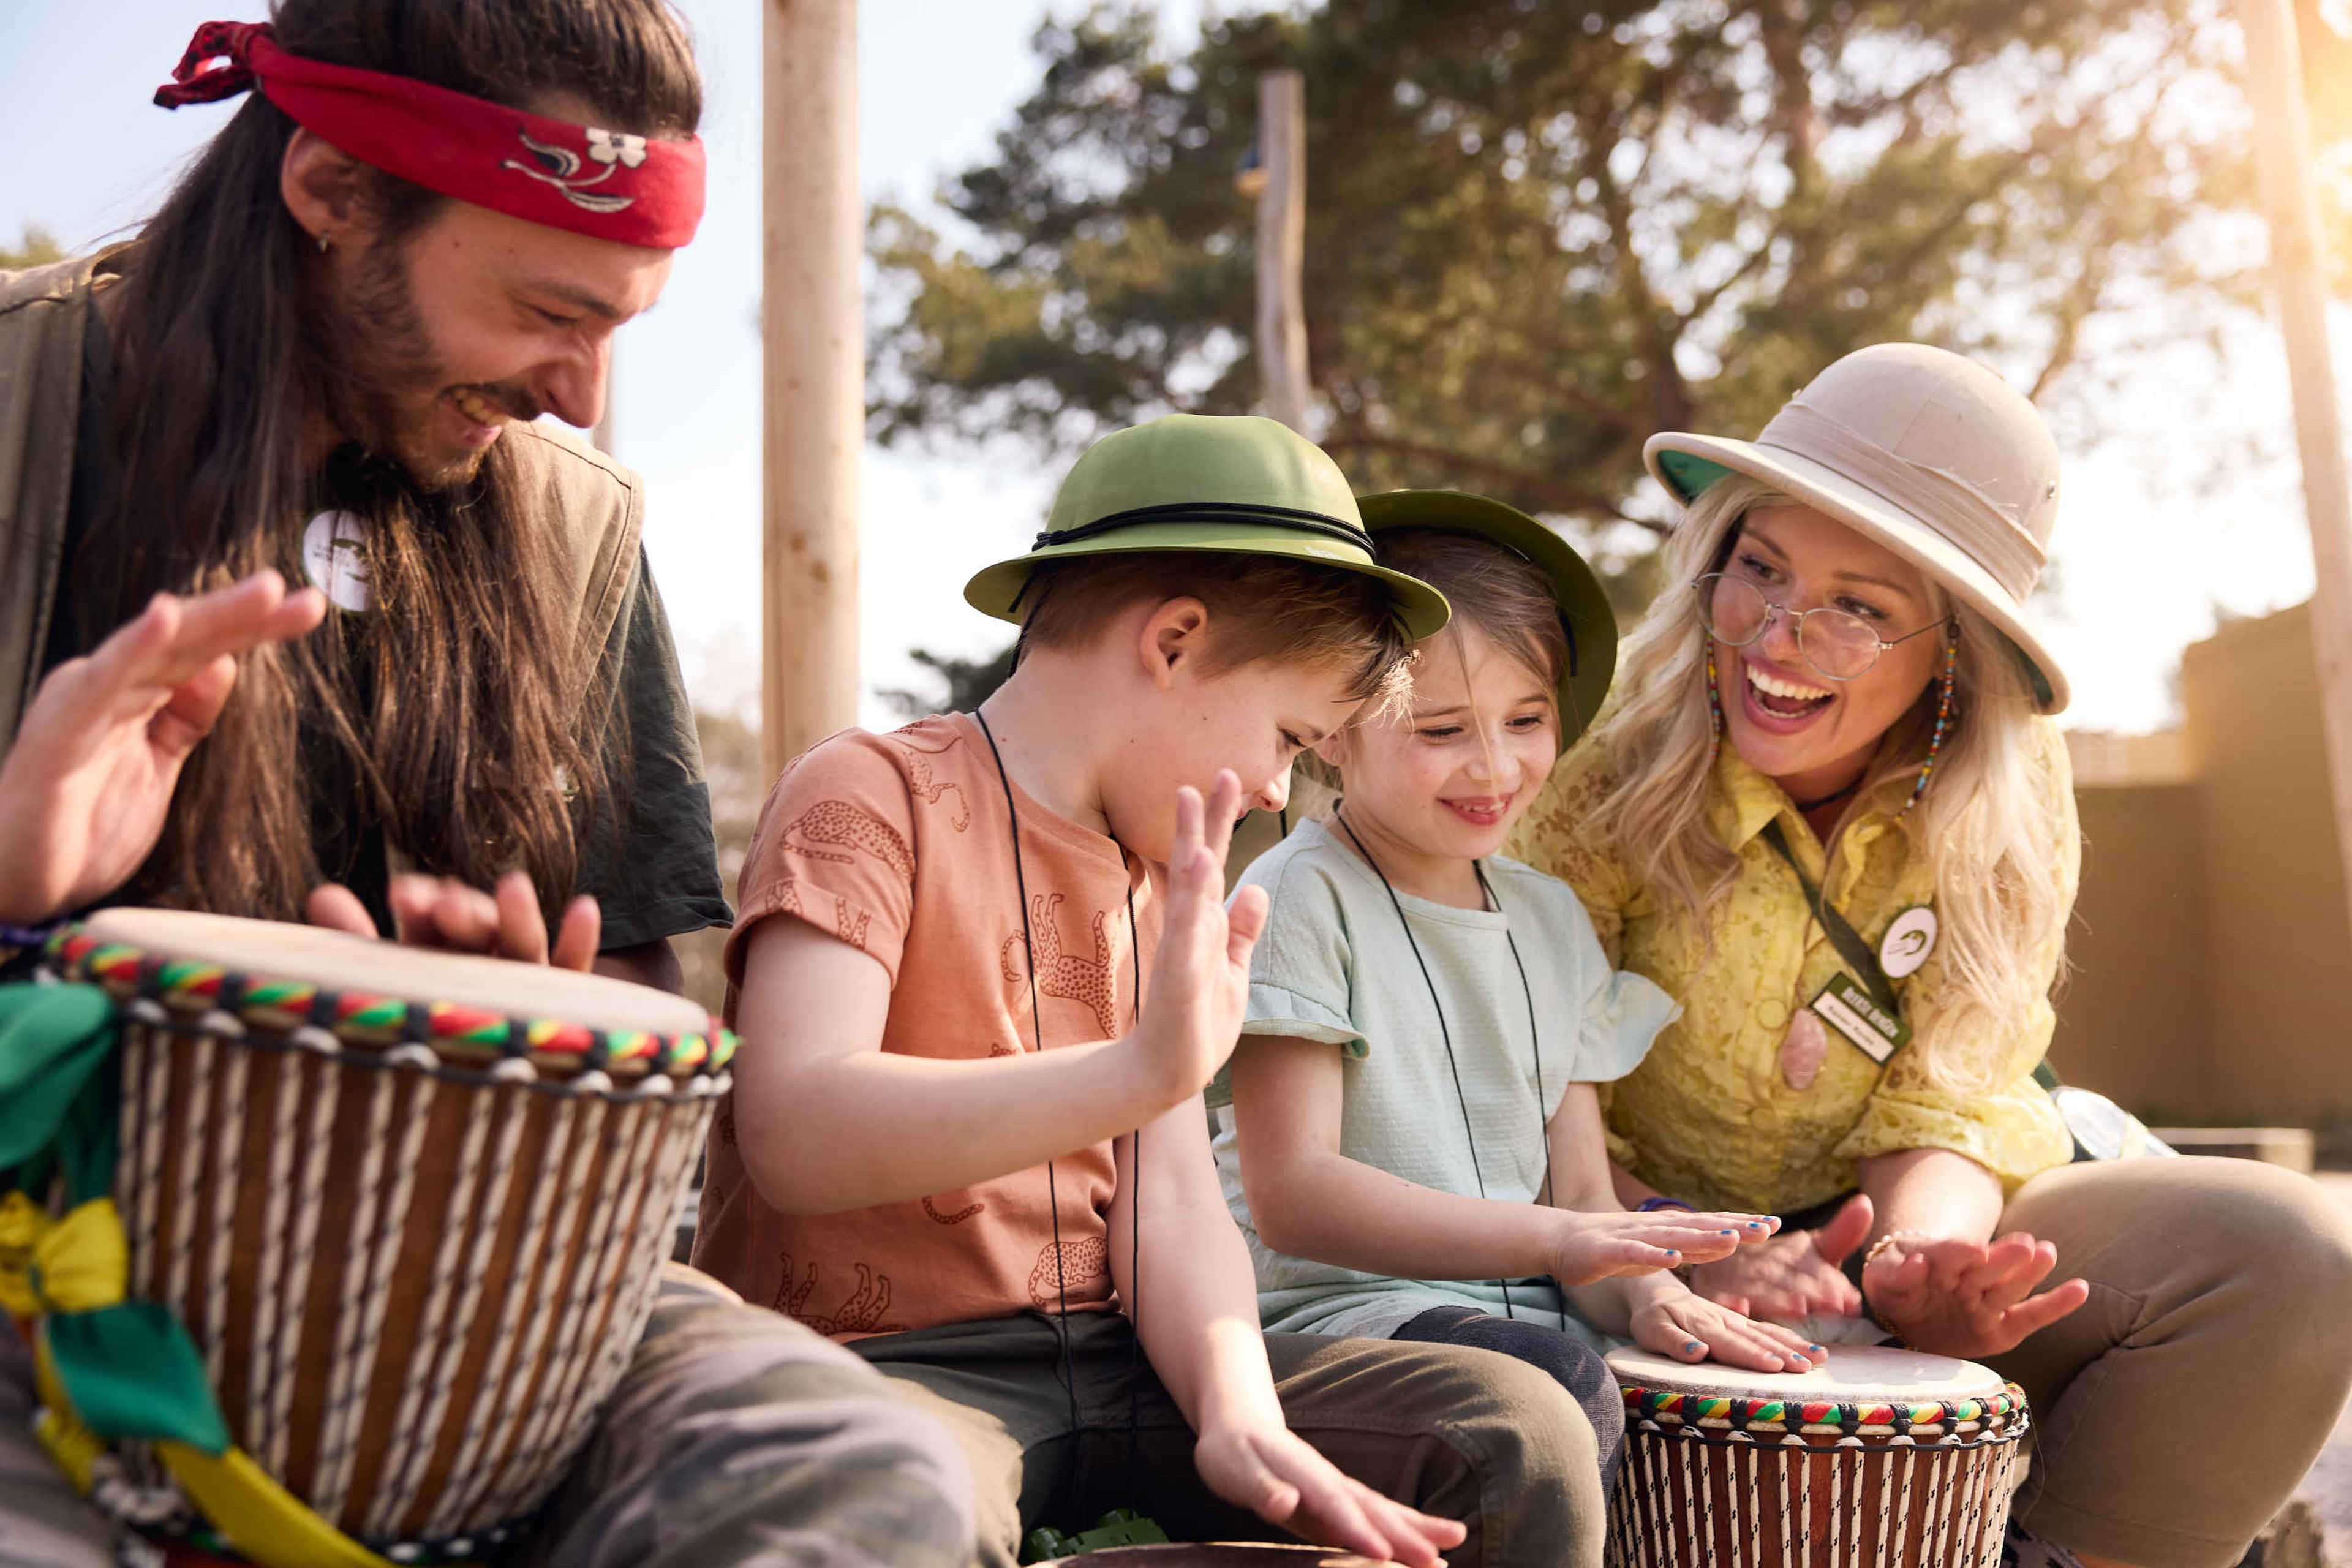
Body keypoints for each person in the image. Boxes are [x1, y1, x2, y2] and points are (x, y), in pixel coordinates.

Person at [0, 7, 973, 1566]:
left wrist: (533, 1022)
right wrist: (14, 887)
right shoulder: (19, 408)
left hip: (486, 1270)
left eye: (618, 328)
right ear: (332, 191)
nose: (583, 393)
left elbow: (655, 997)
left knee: (866, 1477)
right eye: (546, 308)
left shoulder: (571, 531)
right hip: (44, 1252)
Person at [697, 414, 1616, 1568]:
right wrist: (1133, 1074)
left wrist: (1241, 1415)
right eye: (1290, 735)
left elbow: (1172, 1205)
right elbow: (796, 1131)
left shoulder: (1156, 879)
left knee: (1515, 1428)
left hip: (1135, 1365)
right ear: (1174, 642)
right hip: (898, 1368)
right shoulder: (868, 793)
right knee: (900, 1494)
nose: (1285, 793)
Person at [1507, 342, 2352, 1568]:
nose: (1780, 635)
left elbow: (1956, 1089)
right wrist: (1685, 1244)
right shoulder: (1599, 764)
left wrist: (1914, 1262)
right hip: (1615, 1231)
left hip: (1916, 1211)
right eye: (1760, 567)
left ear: (1952, 652)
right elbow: (1525, 1079)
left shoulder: (2014, 793)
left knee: (2290, 1255)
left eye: (1859, 606)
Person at [1210, 494, 1817, 1561]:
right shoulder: (1299, 896)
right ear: (1335, 730)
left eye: (1526, 719)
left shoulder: (1552, 918)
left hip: (1534, 1318)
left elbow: (1581, 1194)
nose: (1494, 768)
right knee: (1552, 1385)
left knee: (1676, 1386)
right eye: (1441, 730)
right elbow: (1293, 1199)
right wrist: (1566, 1245)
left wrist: (1654, 1292)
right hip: (1344, 1325)